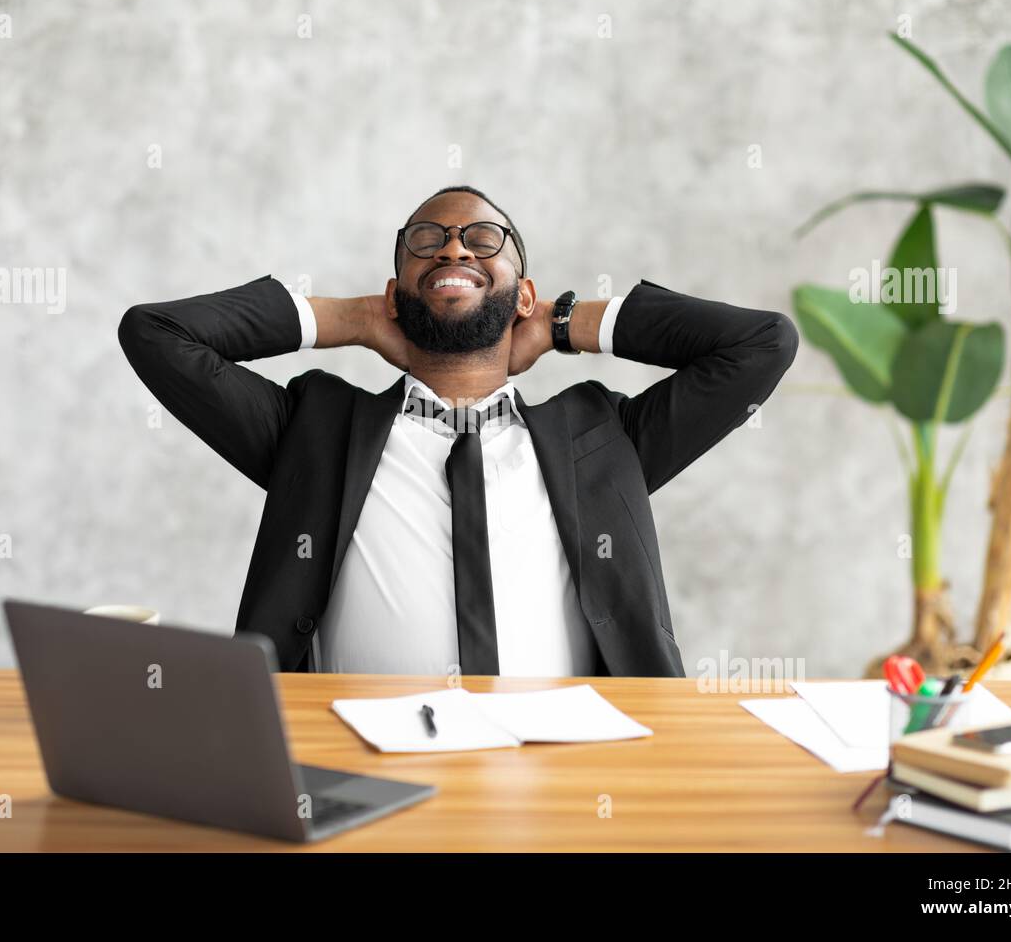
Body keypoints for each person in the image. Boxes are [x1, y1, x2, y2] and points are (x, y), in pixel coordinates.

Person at [118, 185, 798, 678]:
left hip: (568, 772)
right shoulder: (314, 429)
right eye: (427, 240)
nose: (452, 246)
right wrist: (352, 318)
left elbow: (762, 344)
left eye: (482, 239)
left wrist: (565, 323)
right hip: (352, 765)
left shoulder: (601, 437)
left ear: (523, 294)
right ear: (395, 295)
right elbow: (157, 333)